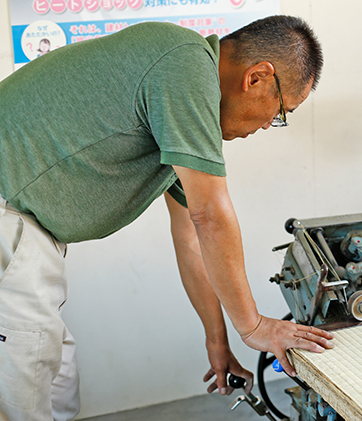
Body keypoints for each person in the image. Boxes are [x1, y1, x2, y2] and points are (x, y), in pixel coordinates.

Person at [0, 15, 334, 421]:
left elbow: (193, 237)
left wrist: (219, 338)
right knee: (24, 393)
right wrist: (253, 326)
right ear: (257, 77)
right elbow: (210, 215)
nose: (268, 124)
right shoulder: (186, 66)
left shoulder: (182, 98)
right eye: (280, 111)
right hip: (9, 215)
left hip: (26, 227)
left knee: (56, 385)